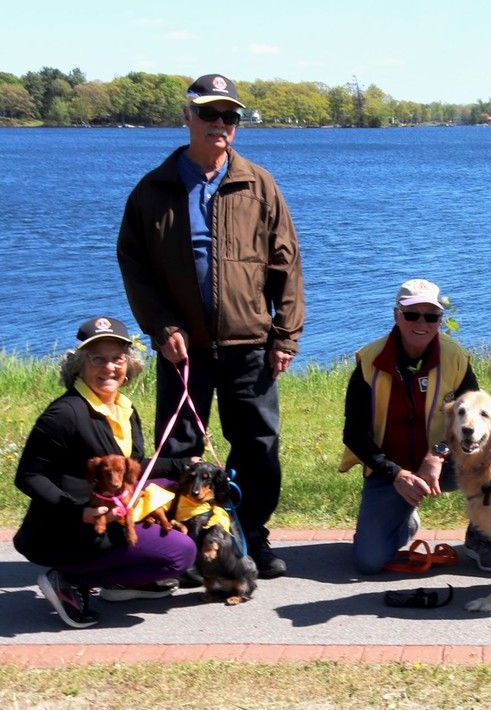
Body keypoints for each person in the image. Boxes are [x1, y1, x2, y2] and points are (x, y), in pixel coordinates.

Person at [117, 73, 304, 579]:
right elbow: (134, 264)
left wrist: (285, 336)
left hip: (250, 344)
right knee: (177, 451)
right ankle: (182, 544)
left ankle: (250, 536)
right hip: (183, 348)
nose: (220, 123)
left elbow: (286, 264)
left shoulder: (259, 185)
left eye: (229, 116)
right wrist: (161, 327)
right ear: (188, 116)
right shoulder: (153, 189)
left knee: (258, 448)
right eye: (209, 113)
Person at [14, 317, 198, 629]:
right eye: (97, 359)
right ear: (79, 365)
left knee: (177, 488)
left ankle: (122, 581)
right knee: (180, 553)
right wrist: (80, 512)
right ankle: (71, 578)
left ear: (129, 365)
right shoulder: (64, 414)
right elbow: (29, 476)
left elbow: (134, 464)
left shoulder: (123, 407)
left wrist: (185, 466)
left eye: (117, 359)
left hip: (109, 509)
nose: (109, 367)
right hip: (68, 529)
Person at [340, 279, 491, 574]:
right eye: (412, 315)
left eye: (431, 316)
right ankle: (405, 521)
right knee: (369, 561)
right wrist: (396, 474)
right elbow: (353, 434)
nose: (422, 324)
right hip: (390, 470)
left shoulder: (455, 357)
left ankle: (482, 534)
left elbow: (478, 420)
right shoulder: (369, 361)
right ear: (396, 315)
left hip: (445, 462)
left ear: (440, 319)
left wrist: (438, 454)